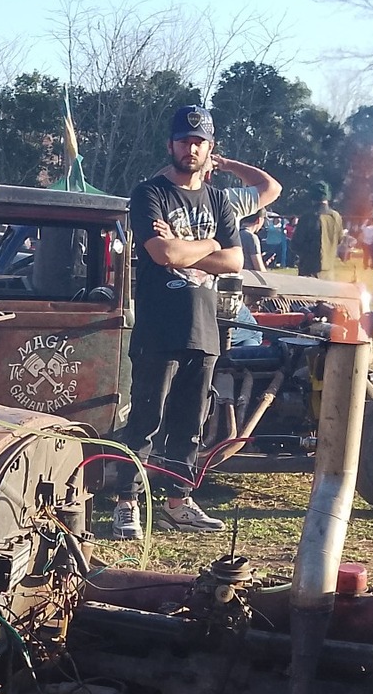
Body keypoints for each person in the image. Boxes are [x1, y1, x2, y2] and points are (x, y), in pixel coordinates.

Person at [107, 104, 278, 540]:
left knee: (190, 424)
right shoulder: (150, 193)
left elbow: (235, 260)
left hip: (204, 327)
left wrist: (188, 247)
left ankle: (178, 502)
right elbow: (163, 254)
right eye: (184, 140)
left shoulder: (219, 199)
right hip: (158, 327)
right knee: (144, 421)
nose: (192, 148)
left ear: (210, 148)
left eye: (199, 142)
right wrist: (209, 245)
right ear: (171, 144)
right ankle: (127, 503)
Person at [291, 182, 343, 277]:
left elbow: (295, 244)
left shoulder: (307, 217)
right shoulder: (336, 217)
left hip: (308, 270)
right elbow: (339, 240)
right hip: (329, 271)